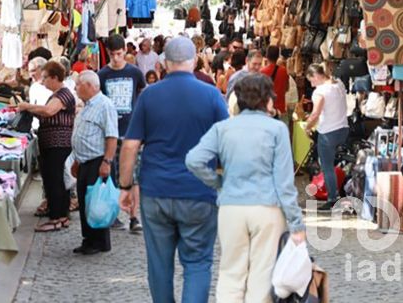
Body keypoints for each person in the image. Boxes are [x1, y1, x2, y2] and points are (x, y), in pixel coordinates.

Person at [119, 36, 229, 303]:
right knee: (198, 263)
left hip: (156, 191)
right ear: (193, 61)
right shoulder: (212, 95)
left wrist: (124, 186)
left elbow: (131, 145)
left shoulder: (149, 96)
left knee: (159, 263)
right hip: (199, 192)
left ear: (165, 63)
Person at [185, 73, 306, 303]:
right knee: (262, 273)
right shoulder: (276, 129)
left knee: (231, 271)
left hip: (231, 206)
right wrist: (296, 223)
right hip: (267, 208)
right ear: (265, 99)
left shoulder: (223, 128)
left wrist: (217, 182)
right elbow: (284, 182)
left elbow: (194, 160)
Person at [19, 60, 77, 232]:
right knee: (53, 180)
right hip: (52, 144)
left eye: (45, 78)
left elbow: (49, 111)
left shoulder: (64, 94)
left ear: (54, 77)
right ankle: (59, 214)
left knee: (56, 180)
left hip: (58, 145)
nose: (42, 81)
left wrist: (28, 106)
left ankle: (58, 217)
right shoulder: (57, 94)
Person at [97, 34, 146, 232]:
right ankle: (114, 213)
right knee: (112, 175)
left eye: (119, 54)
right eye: (112, 55)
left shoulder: (135, 73)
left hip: (131, 132)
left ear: (125, 51)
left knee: (134, 177)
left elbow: (142, 98)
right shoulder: (102, 75)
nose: (116, 58)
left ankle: (134, 217)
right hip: (111, 133)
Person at [70, 71, 119, 255]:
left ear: (89, 85)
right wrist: (77, 159)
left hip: (98, 160)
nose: (75, 89)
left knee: (97, 202)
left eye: (78, 85)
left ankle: (99, 242)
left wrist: (107, 161)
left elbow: (112, 136)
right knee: (85, 201)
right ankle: (88, 239)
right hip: (84, 161)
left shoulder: (104, 105)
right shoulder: (88, 105)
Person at [304, 64, 349, 210]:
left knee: (327, 166)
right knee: (337, 162)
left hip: (327, 132)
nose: (312, 84)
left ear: (316, 76)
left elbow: (316, 113)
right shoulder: (339, 84)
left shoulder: (320, 91)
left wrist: (307, 126)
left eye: (311, 80)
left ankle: (332, 198)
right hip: (343, 129)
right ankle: (340, 190)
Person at [260, 46, 289, 115]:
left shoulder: (262, 72)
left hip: (266, 108)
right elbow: (287, 88)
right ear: (278, 56)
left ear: (267, 56)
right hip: (280, 108)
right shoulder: (283, 71)